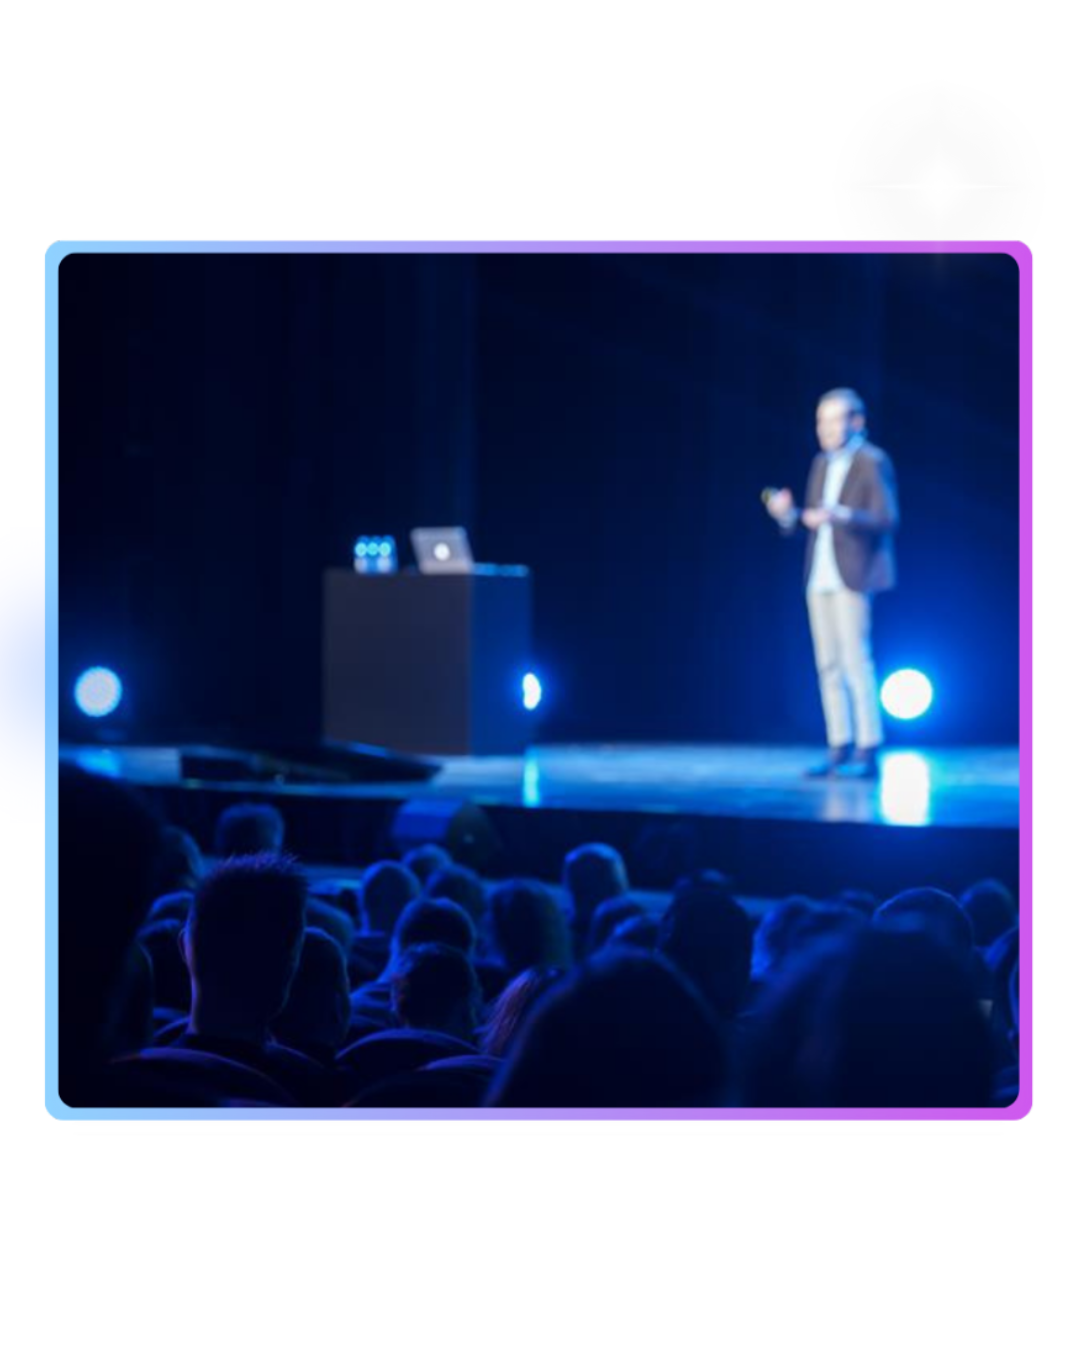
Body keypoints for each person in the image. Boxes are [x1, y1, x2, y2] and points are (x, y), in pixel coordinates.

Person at [765, 388, 899, 779]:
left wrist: (843, 514)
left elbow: (886, 518)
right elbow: (811, 520)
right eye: (820, 421)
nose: (824, 429)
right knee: (827, 663)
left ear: (856, 422)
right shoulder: (821, 463)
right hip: (819, 574)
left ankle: (867, 747)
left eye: (833, 420)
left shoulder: (872, 460)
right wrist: (788, 515)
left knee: (855, 659)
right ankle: (839, 745)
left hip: (853, 573)